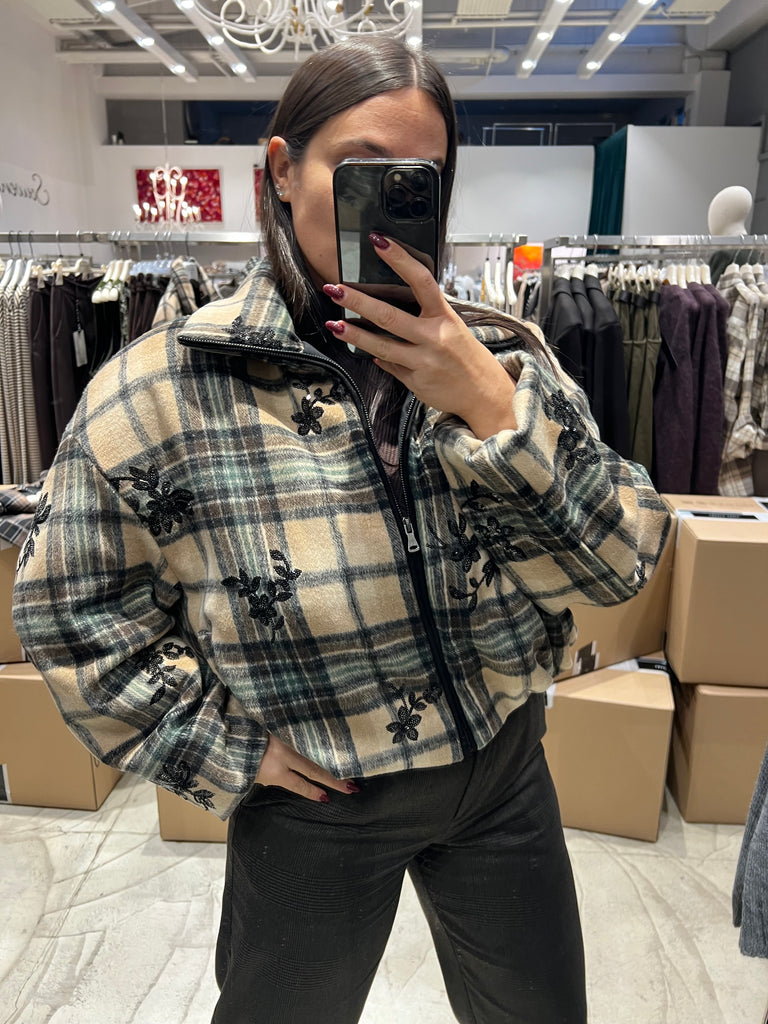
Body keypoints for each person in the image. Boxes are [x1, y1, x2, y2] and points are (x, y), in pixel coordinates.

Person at [12, 38, 671, 1024]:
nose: (393, 202)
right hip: (317, 799)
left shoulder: (502, 357)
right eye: (364, 169)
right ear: (281, 171)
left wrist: (493, 410)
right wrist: (222, 745)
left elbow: (622, 562)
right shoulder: (163, 389)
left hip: (502, 772)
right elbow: (69, 610)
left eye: (422, 179)